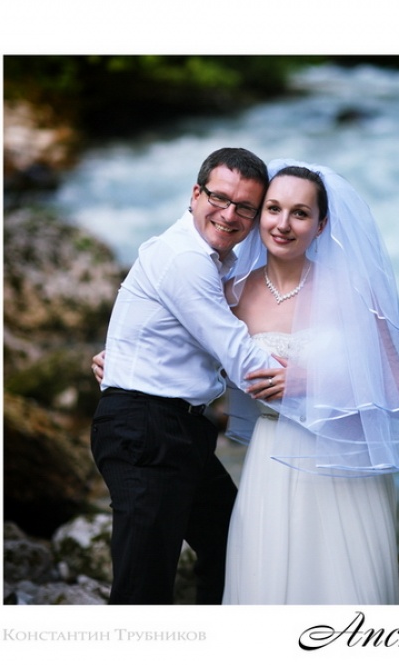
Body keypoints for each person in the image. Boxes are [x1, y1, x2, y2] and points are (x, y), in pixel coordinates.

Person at [90, 147, 286, 605]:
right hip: (147, 430)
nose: (229, 214)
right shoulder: (184, 257)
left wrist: (123, 356)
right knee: (143, 589)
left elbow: (191, 342)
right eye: (219, 198)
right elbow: (239, 356)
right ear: (196, 194)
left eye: (245, 207)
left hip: (180, 429)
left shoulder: (214, 262)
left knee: (232, 546)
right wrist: (318, 381)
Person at [220, 160, 399, 604]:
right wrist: (122, 358)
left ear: (322, 225)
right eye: (273, 209)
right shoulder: (234, 293)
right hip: (271, 456)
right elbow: (189, 356)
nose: (283, 224)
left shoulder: (352, 291)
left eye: (300, 213)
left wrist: (312, 382)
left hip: (344, 463)